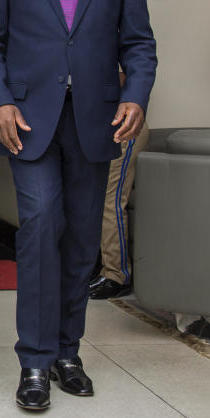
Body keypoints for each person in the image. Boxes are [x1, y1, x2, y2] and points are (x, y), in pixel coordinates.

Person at [0, 0, 157, 411]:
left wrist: (135, 95)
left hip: (94, 121)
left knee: (80, 242)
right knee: (39, 228)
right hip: (27, 123)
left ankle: (66, 352)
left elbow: (139, 44)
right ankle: (33, 360)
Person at [89, 73, 150, 300]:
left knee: (111, 200)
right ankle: (103, 268)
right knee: (94, 199)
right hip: (101, 130)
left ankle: (117, 275)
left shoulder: (109, 41)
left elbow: (122, 78)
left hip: (123, 128)